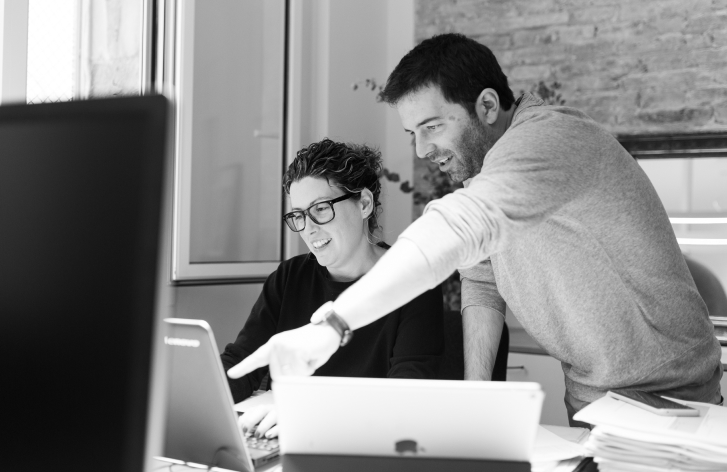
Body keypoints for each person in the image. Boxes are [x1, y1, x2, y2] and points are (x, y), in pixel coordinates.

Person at [228, 33, 723, 425]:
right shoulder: (487, 174)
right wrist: (475, 401)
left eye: (432, 127)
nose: (422, 150)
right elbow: (483, 282)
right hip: (594, 403)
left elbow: (457, 226)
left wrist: (333, 325)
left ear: (487, 106)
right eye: (412, 133)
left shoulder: (550, 140)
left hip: (671, 401)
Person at [221, 138, 444, 437]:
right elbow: (242, 363)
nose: (309, 228)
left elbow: (406, 395)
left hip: (363, 442)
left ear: (364, 204)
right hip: (287, 437)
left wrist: (309, 416)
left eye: (321, 209)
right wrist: (197, 395)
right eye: (298, 215)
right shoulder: (289, 278)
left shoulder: (413, 283)